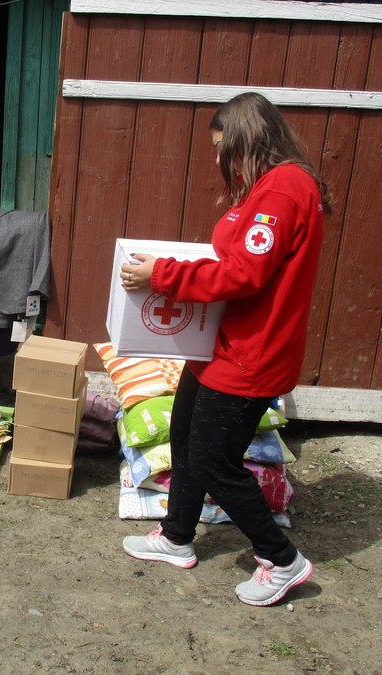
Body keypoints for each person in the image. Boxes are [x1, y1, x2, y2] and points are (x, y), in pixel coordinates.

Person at [119, 91, 329, 607]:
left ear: (245, 140)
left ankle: (281, 560)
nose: (220, 159)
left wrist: (163, 276)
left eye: (222, 148)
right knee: (185, 436)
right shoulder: (265, 187)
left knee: (214, 461)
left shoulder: (283, 189)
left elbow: (244, 273)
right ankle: (176, 537)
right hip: (220, 345)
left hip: (250, 355)